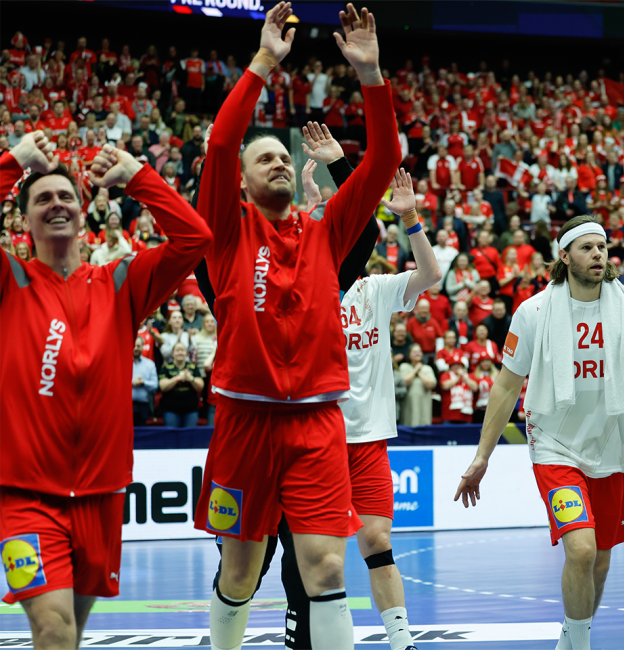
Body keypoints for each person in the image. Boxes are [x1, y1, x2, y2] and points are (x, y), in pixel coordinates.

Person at [191, 5, 398, 650]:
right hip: (243, 421)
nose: (279, 163)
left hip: (316, 422)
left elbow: (384, 158)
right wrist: (261, 65)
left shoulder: (327, 232)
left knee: (328, 567)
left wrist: (370, 75)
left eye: (285, 156)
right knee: (241, 570)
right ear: (243, 183)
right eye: (265, 159)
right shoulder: (224, 231)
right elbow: (222, 144)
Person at [0, 132, 211, 650]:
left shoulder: (119, 282)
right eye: (42, 198)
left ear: (81, 214)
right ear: (23, 220)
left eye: (65, 197)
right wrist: (10, 165)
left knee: (70, 632)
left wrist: (138, 177)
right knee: (51, 627)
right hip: (24, 496)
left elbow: (195, 239)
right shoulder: (9, 282)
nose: (56, 204)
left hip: (102, 495)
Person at [455, 215, 624, 650]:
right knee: (582, 550)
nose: (598, 254)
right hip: (553, 445)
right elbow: (506, 386)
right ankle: (581, 646)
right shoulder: (533, 311)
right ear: (564, 255)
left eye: (602, 247)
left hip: (608, 443)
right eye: (587, 247)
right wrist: (483, 455)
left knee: (602, 561)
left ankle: (570, 639)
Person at [256, 169, 441, 650]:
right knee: (320, 556)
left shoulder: (374, 291)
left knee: (377, 542)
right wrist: (312, 208)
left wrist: (412, 220)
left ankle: (401, 639)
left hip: (367, 441)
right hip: (315, 442)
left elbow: (431, 276)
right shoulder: (299, 290)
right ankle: (317, 633)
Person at [158, 341, 205, 428]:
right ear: (172, 353)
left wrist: (191, 379)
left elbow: (200, 386)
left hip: (191, 410)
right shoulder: (165, 367)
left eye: (182, 350)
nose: (180, 352)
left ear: (186, 353)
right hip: (170, 410)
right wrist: (177, 378)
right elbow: (163, 387)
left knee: (189, 437)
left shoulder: (193, 367)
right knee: (172, 437)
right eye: (177, 350)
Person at [399, 343, 437, 426]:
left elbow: (431, 384)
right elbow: (404, 382)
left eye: (419, 352)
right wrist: (415, 370)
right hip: (408, 407)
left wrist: (419, 372)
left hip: (424, 407)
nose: (417, 353)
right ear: (409, 355)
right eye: (414, 352)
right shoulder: (404, 366)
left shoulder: (427, 368)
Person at [133, 335, 159, 426]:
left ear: (143, 347)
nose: (136, 348)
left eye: (138, 346)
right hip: (126, 405)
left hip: (144, 405)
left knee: (143, 433)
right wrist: (131, 383)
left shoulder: (149, 364)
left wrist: (143, 383)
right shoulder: (123, 362)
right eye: (134, 345)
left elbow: (155, 385)